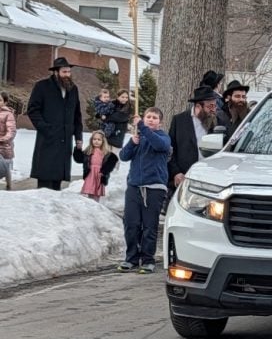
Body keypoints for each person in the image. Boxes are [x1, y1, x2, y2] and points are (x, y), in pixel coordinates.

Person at [118, 107, 171, 274]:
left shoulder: (163, 137)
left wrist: (142, 126)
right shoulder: (138, 138)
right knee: (131, 224)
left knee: (149, 226)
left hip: (154, 188)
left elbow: (159, 145)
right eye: (148, 117)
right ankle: (131, 258)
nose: (151, 120)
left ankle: (148, 259)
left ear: (160, 122)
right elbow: (123, 156)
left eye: (154, 118)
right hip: (134, 186)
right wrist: (132, 143)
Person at [26, 57, 83, 190]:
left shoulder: (73, 89)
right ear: (56, 72)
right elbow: (33, 110)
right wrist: (45, 128)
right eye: (64, 72)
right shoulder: (42, 86)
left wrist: (78, 137)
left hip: (65, 141)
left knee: (58, 182)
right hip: (48, 139)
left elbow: (77, 115)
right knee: (45, 183)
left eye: (69, 72)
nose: (67, 75)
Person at [168, 85, 220, 193]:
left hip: (210, 177)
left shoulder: (218, 121)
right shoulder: (179, 120)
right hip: (185, 177)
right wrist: (176, 172)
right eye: (210, 106)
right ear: (198, 106)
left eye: (215, 106)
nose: (213, 110)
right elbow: (170, 150)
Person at [73, 131, 118, 202]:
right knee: (89, 191)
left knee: (96, 193)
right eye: (94, 139)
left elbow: (112, 161)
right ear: (91, 140)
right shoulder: (88, 151)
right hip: (90, 174)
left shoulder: (106, 153)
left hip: (99, 175)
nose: (96, 141)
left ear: (103, 141)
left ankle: (96, 205)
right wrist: (78, 149)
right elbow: (78, 159)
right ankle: (89, 205)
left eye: (99, 139)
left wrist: (104, 172)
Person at [0, 91, 15, 190]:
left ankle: (9, 186)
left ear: (5, 102)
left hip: (4, 145)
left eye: (0, 100)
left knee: (6, 168)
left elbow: (11, 131)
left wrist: (3, 139)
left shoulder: (8, 115)